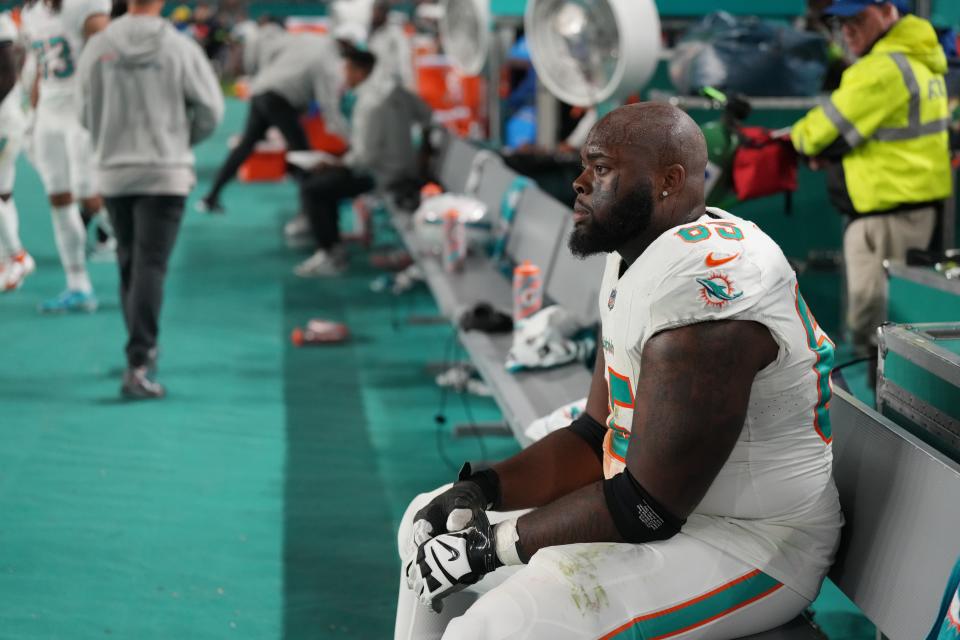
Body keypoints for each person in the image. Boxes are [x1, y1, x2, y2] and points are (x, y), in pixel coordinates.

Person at [394, 103, 843, 639]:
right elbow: (593, 435)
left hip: (751, 541)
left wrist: (495, 545)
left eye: (602, 169)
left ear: (668, 181)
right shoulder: (637, 250)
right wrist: (485, 490)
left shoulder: (712, 291)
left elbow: (648, 507)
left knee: (501, 628)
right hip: (659, 507)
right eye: (585, 164)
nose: (580, 182)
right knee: (425, 523)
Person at [77, 0, 224, 398]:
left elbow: (82, 110)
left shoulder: (98, 45)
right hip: (165, 171)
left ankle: (138, 352)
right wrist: (180, 140)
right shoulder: (180, 47)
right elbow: (211, 109)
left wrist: (109, 140)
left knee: (130, 260)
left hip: (114, 172)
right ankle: (139, 360)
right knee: (150, 265)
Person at [791, 0, 952, 358]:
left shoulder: (882, 68)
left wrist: (804, 141)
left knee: (872, 331)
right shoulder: (921, 57)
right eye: (841, 21)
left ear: (886, 9)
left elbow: (817, 133)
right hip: (915, 209)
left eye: (857, 18)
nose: (847, 29)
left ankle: (870, 410)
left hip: (885, 217)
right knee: (902, 327)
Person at [294, 49, 431, 277]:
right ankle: (331, 245)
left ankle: (331, 253)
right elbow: (427, 116)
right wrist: (423, 155)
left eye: (346, 70)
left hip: (383, 176)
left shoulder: (369, 104)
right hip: (403, 169)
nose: (343, 76)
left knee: (313, 188)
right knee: (323, 183)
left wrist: (332, 164)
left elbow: (363, 159)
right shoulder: (397, 91)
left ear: (360, 72)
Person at [20, 0, 112, 313]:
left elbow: (110, 54)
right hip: (49, 113)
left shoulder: (85, 5)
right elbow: (37, 68)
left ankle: (132, 249)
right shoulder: (33, 13)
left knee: (89, 195)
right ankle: (78, 285)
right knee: (59, 199)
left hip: (80, 111)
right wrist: (32, 114)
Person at [197, 31, 347, 213]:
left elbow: (270, 53)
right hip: (280, 99)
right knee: (303, 153)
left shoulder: (307, 38)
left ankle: (211, 197)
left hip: (261, 89)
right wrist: (348, 137)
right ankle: (311, 213)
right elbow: (328, 104)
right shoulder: (329, 58)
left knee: (246, 145)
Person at [0, 9, 35, 292]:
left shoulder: (2, 25)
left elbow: (7, 76)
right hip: (9, 119)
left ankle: (17, 256)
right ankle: (8, 261)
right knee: (3, 194)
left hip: (4, 121)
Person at [367, 0, 414, 93]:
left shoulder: (395, 33)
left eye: (378, 11)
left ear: (385, 13)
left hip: (390, 84)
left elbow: (403, 57)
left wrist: (407, 81)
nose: (374, 15)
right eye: (373, 11)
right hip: (372, 84)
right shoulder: (371, 33)